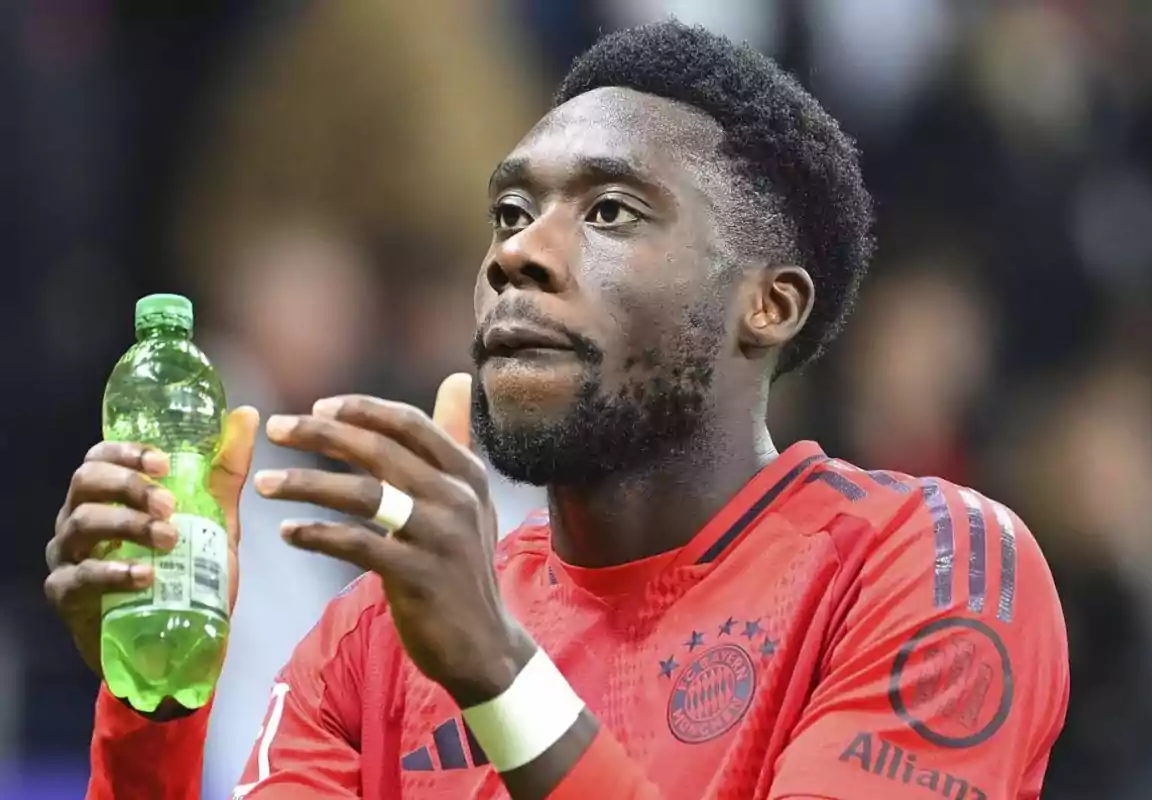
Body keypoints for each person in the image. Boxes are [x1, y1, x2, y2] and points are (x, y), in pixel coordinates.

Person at [45, 21, 1068, 800]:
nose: (517, 253)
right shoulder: (384, 632)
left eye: (611, 211)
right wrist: (157, 697)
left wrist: (497, 671)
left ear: (767, 303)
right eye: (510, 211)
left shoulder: (929, 561)